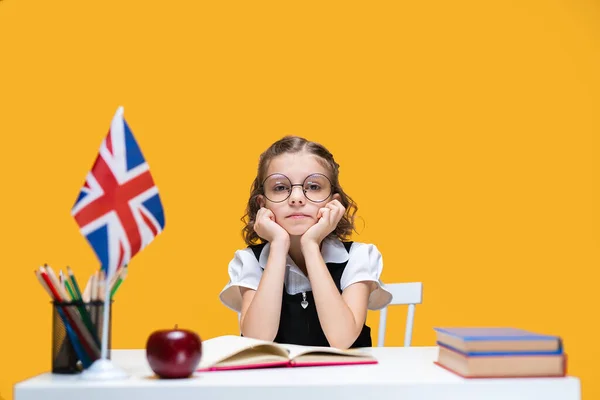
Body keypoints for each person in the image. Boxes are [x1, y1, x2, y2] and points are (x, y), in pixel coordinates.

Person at [219, 135, 392, 349]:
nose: (297, 198)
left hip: (345, 380)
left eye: (313, 186)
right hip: (277, 381)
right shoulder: (250, 261)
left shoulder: (359, 256)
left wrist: (310, 246)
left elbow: (342, 339)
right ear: (262, 204)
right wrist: (278, 246)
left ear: (333, 203)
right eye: (281, 187)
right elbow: (257, 341)